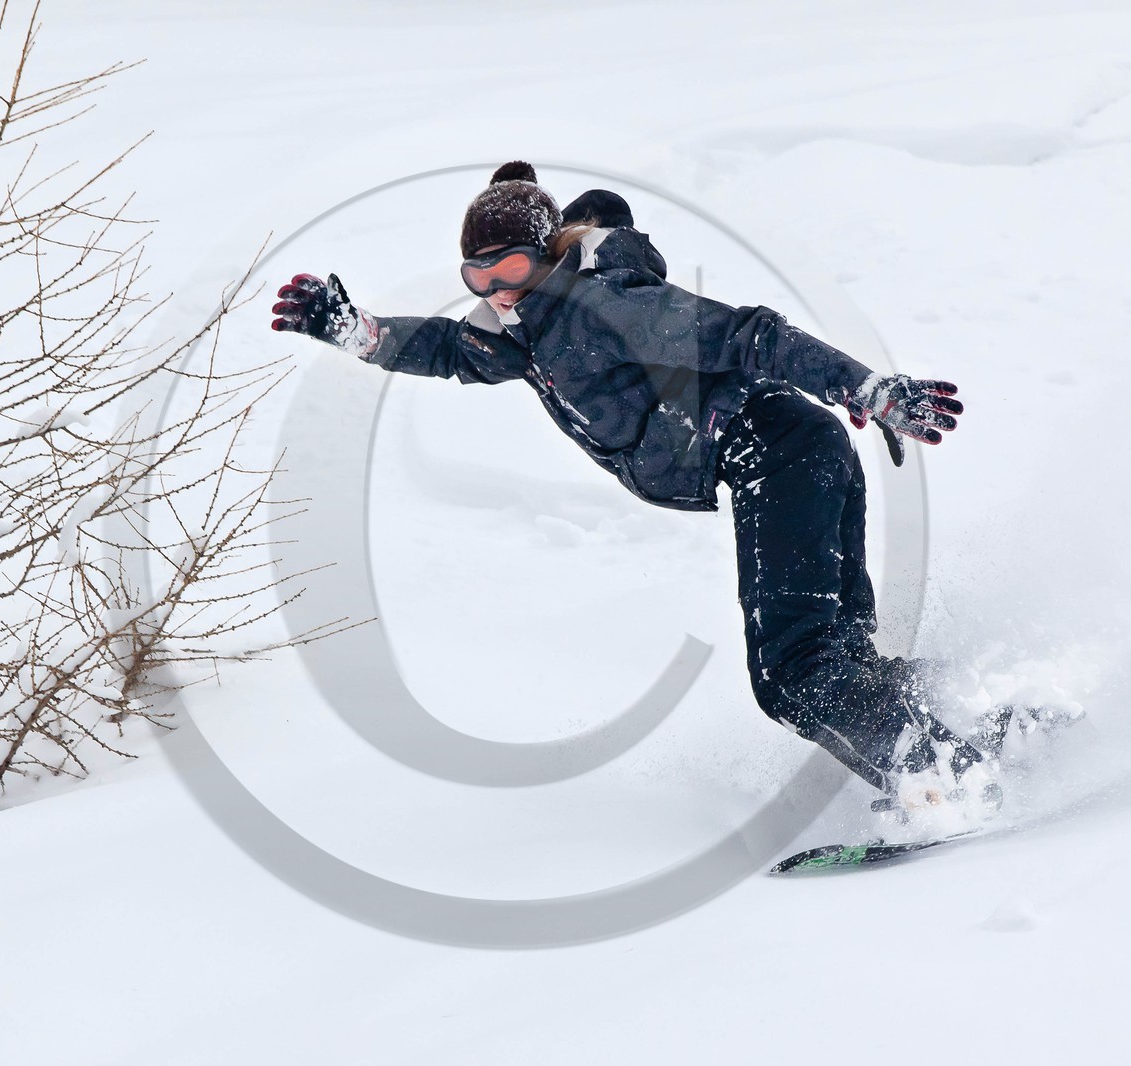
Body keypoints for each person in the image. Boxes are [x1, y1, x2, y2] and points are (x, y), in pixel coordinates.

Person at [271, 161, 998, 818]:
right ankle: (979, 721)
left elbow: (753, 335)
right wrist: (359, 332)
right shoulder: (519, 328)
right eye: (477, 277)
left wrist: (865, 386)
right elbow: (449, 349)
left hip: (773, 449)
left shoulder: (611, 301)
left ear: (550, 251)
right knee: (838, 659)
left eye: (513, 266)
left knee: (793, 674)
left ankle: (947, 780)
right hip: (792, 451)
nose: (497, 290)